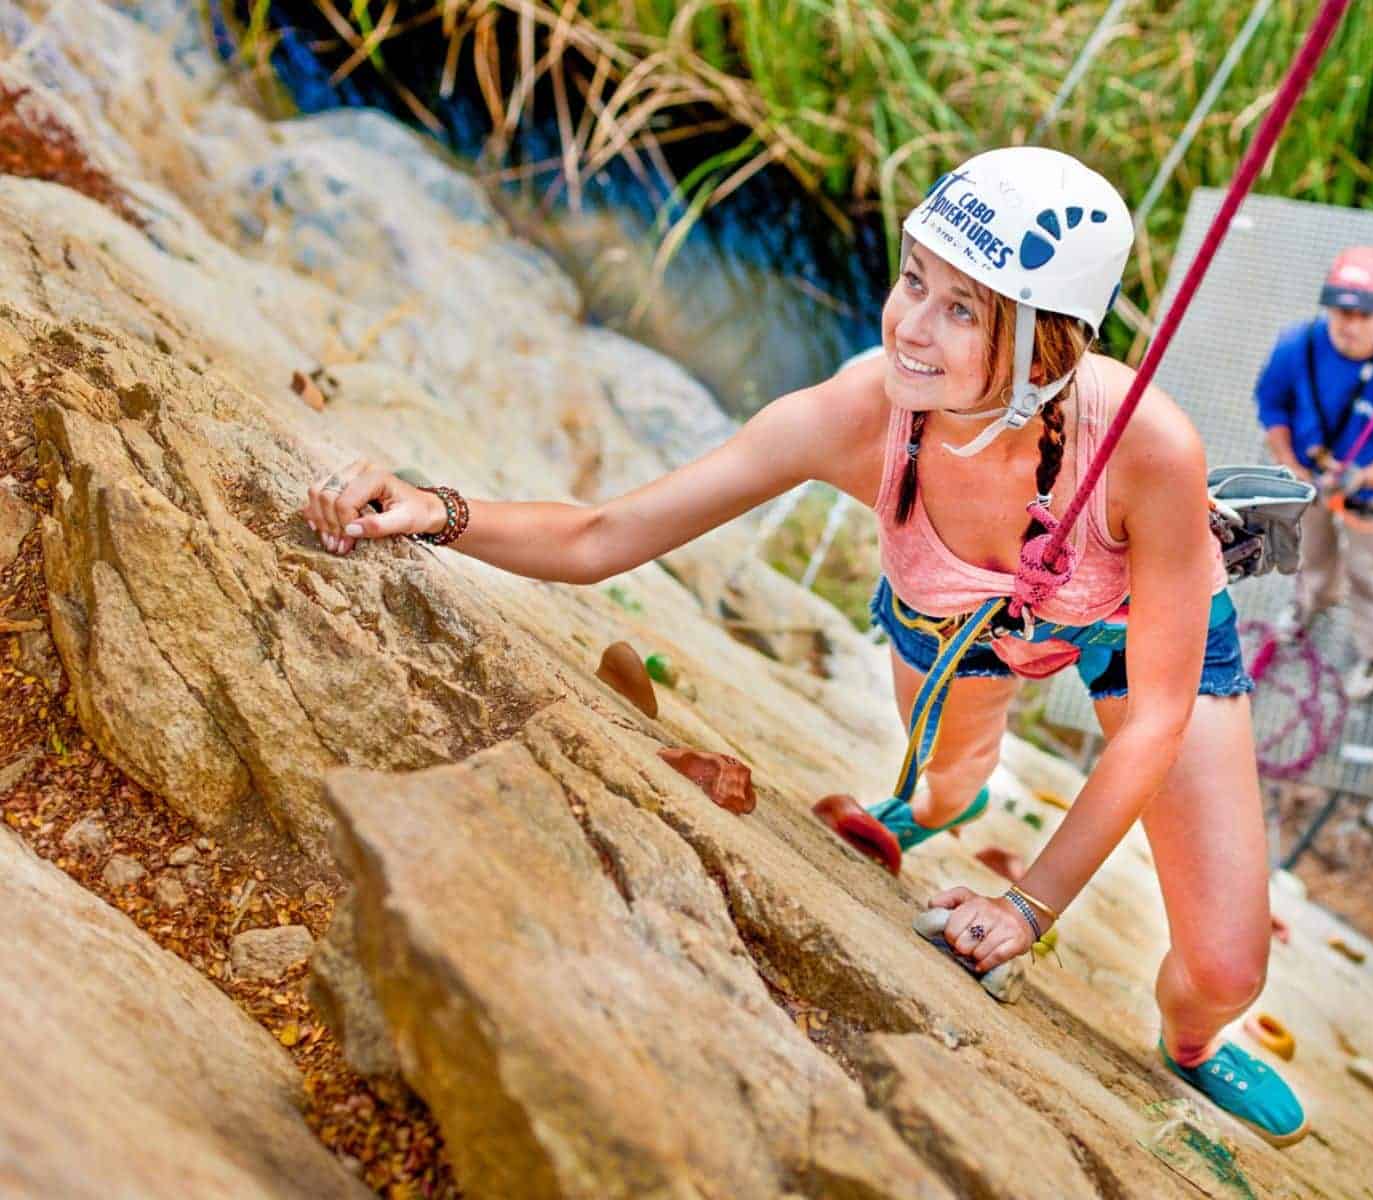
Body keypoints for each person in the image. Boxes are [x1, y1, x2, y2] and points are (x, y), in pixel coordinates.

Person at [300, 147, 1308, 1147]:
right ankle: (930, 804)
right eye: (914, 279)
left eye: (961, 310)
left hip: (1134, 614)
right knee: (947, 794)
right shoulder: (859, 416)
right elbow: (606, 536)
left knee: (1226, 970)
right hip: (961, 622)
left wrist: (1028, 908)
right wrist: (438, 510)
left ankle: (1191, 1042)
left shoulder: (1147, 447)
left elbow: (1159, 721)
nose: (909, 325)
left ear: (1045, 352)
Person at [1253, 247, 1373, 702]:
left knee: (1372, 569)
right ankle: (1311, 602)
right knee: (1310, 551)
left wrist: (1356, 479)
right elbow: (1272, 406)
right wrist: (1291, 466)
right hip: (1306, 475)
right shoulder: (1297, 346)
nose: (1349, 323)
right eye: (1341, 309)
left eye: (1364, 313)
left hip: (1367, 489)